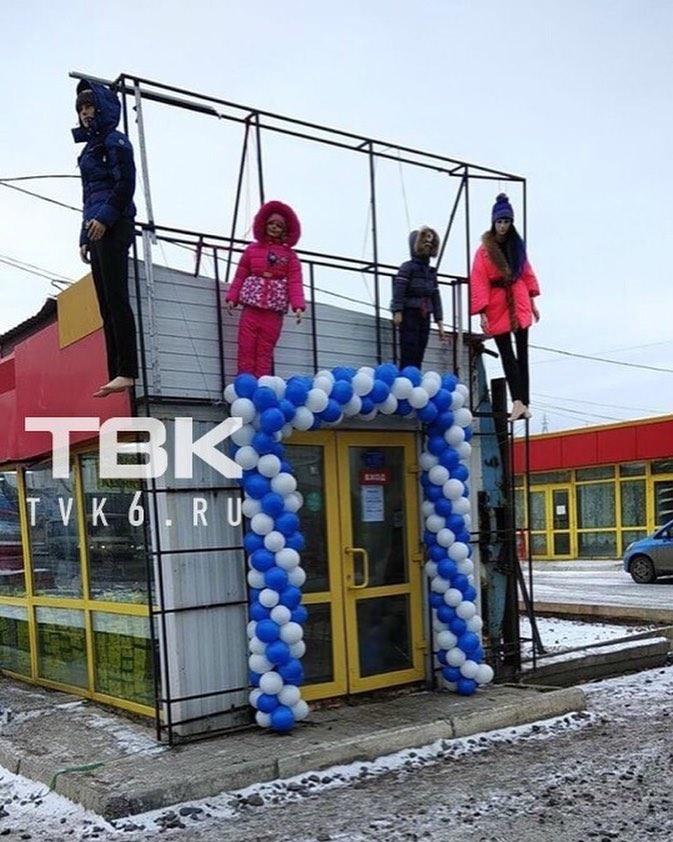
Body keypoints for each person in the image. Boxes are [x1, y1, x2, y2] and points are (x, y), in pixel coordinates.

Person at [73, 80, 138, 398]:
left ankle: (128, 370)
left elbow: (126, 184)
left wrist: (105, 219)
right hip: (96, 226)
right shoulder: (89, 149)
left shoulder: (116, 140)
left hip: (115, 224)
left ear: (102, 107)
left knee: (117, 297)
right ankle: (117, 372)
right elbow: (88, 196)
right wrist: (84, 235)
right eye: (81, 109)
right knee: (105, 304)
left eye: (89, 106)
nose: (85, 113)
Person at [470, 193, 540, 421]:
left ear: (511, 222)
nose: (502, 226)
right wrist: (481, 311)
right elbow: (479, 280)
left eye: (506, 221)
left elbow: (526, 273)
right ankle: (517, 401)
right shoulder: (484, 250)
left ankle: (523, 402)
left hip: (519, 299)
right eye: (499, 221)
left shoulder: (517, 246)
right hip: (497, 302)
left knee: (523, 354)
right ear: (493, 222)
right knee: (507, 354)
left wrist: (532, 302)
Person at [226, 200, 305, 377]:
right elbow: (240, 275)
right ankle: (245, 382)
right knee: (245, 346)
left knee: (265, 351)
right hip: (251, 308)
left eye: (279, 226)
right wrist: (232, 297)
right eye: (271, 224)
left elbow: (295, 282)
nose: (274, 228)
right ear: (264, 225)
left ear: (285, 230)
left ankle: (261, 384)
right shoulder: (251, 250)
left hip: (273, 312)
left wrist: (298, 306)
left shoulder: (290, 256)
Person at [391, 226, 445, 369]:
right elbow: (399, 290)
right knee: (409, 346)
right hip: (410, 312)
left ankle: (415, 373)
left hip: (425, 313)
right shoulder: (407, 267)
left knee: (421, 346)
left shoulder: (431, 272)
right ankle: (407, 374)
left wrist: (439, 321)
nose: (428, 245)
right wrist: (397, 311)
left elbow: (435, 295)